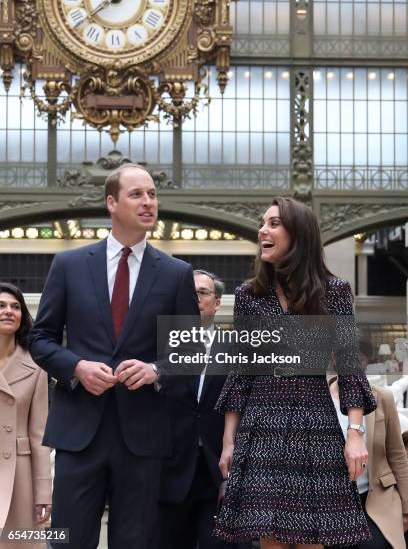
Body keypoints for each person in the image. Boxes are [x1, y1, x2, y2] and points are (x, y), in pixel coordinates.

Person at [30, 163, 199, 549]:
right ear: (111, 202)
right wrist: (76, 366)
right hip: (79, 434)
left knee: (134, 542)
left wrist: (156, 369)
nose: (148, 203)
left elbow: (188, 350)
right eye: (136, 194)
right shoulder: (69, 265)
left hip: (142, 436)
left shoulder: (176, 273)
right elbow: (41, 338)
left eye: (152, 194)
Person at [214, 196, 377, 548]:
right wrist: (229, 441)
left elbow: (348, 363)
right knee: (270, 536)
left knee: (311, 535)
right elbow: (242, 369)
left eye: (273, 224)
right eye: (262, 223)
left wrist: (355, 432)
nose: (262, 230)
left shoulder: (334, 292)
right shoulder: (249, 295)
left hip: (313, 423)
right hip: (261, 424)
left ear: (299, 234)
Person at [158, 269, 251, 549]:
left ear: (217, 303)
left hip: (218, 467)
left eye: (203, 292)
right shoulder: (160, 346)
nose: (196, 299)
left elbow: (245, 404)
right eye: (190, 293)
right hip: (170, 467)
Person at [328, 374, 408, 549]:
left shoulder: (382, 397)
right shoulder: (315, 400)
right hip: (329, 505)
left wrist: (406, 510)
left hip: (376, 498)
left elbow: (397, 455)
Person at [0, 282, 52, 549]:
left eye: (15, 306)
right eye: (1, 305)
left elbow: (39, 434)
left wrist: (43, 492)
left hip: (19, 476)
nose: (9, 311)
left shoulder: (36, 366)